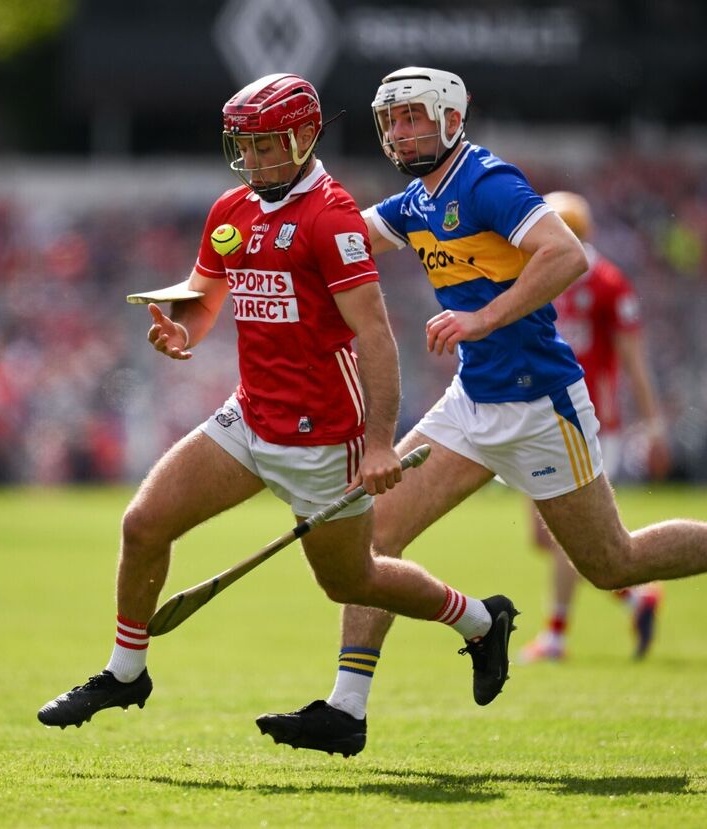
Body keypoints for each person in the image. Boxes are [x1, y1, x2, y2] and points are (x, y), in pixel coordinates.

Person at [256, 66, 707, 756]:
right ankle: (348, 708)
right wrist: (262, 237)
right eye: (390, 121)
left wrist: (481, 319)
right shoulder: (417, 202)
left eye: (413, 116)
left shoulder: (487, 182)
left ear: (451, 117)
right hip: (471, 405)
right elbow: (341, 240)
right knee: (373, 538)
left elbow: (565, 256)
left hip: (541, 405)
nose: (399, 131)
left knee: (613, 562)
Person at [36, 73, 517, 755]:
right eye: (246, 146)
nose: (255, 160)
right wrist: (184, 332)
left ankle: (478, 620)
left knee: (352, 580)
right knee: (144, 522)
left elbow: (376, 337)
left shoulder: (332, 218)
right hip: (250, 418)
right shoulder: (230, 211)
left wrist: (380, 442)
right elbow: (205, 295)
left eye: (269, 146)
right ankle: (125, 672)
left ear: (303, 137)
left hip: (325, 436)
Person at [518, 190, 670, 664]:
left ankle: (556, 636)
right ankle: (636, 597)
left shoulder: (605, 282)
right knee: (545, 536)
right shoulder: (543, 273)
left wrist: (654, 424)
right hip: (538, 418)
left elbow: (633, 361)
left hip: (586, 422)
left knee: (569, 532)